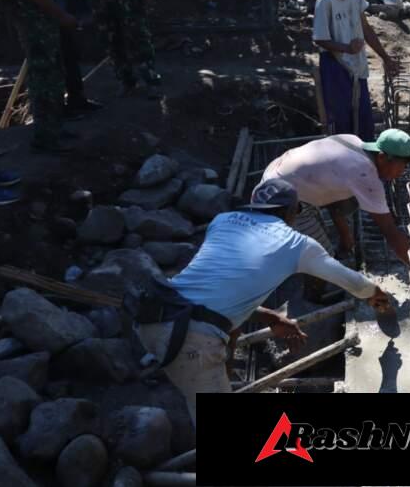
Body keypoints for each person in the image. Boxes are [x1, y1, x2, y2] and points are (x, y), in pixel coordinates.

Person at [132, 178, 392, 425]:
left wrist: (270, 317)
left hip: (155, 316)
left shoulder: (222, 220)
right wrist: (375, 294)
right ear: (291, 211)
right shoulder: (296, 243)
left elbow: (219, 291)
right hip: (191, 340)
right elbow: (351, 281)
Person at [261, 130, 410, 302]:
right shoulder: (365, 175)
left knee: (322, 236)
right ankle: (313, 299)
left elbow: (333, 197)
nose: (403, 171)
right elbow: (390, 232)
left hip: (275, 178)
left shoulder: (352, 140)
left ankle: (305, 263)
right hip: (281, 201)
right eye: (402, 165)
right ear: (383, 157)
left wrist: (345, 237)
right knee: (320, 258)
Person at [0, 0, 81, 152]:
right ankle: (45, 137)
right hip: (30, 11)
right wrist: (60, 14)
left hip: (38, 10)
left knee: (53, 69)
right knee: (43, 73)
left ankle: (54, 127)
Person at [313, 0, 398, 141]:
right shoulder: (325, 0)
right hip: (335, 66)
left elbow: (365, 28)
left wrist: (385, 57)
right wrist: (346, 48)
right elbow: (320, 38)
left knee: (363, 121)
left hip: (356, 65)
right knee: (341, 124)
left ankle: (363, 156)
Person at [88, 0, 161, 98]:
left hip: (129, 5)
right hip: (104, 8)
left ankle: (151, 82)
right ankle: (127, 81)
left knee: (140, 43)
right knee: (113, 45)